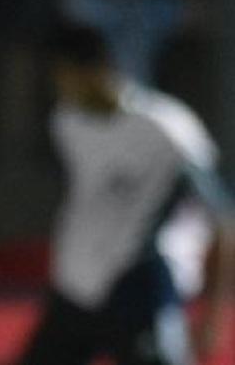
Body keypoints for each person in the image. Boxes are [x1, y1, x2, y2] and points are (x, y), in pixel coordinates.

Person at [21, 25, 234, 365]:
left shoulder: (166, 127)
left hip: (138, 285)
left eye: (68, 77)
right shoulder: (66, 122)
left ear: (97, 69)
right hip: (76, 285)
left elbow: (221, 216)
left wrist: (213, 313)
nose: (63, 89)